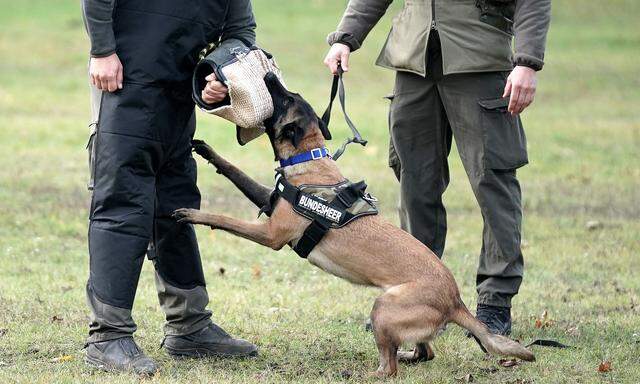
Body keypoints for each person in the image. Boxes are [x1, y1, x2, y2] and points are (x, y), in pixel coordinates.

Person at [324, 0, 550, 335]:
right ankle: (417, 300)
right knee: (415, 183)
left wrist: (527, 61)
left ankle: (494, 303)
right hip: (413, 61)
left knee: (493, 183)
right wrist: (345, 37)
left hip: (480, 60)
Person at [82, 0, 258, 375]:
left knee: (177, 206)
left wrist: (219, 76)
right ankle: (108, 336)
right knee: (122, 204)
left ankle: (189, 326)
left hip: (179, 99)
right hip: (125, 83)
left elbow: (241, 34)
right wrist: (102, 50)